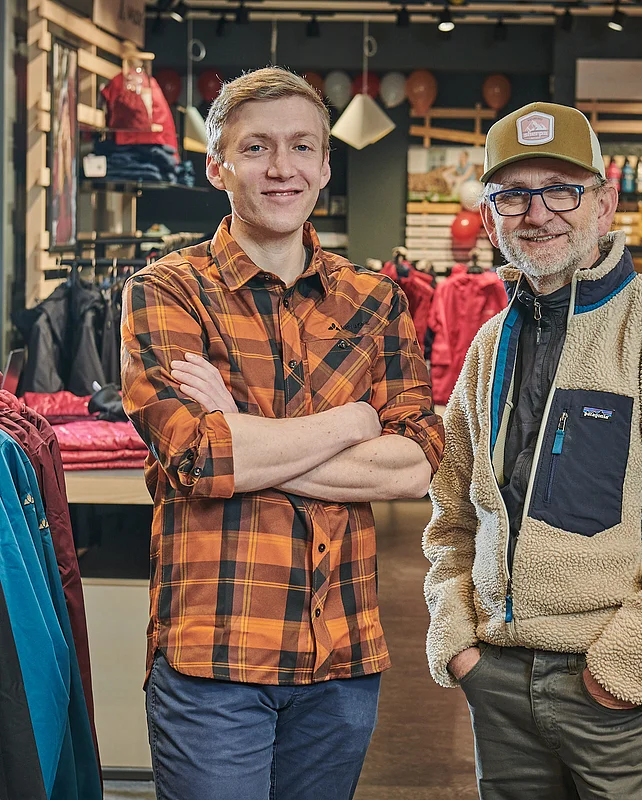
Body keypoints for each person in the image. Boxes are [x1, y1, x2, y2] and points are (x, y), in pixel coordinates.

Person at [422, 101, 642, 799]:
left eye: (561, 190)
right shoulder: (489, 346)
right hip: (497, 684)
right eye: (513, 194)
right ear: (490, 215)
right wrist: (458, 639)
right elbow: (452, 509)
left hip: (620, 695)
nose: (537, 213)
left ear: (604, 204)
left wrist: (626, 667)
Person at [121, 66, 444, 800]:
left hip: (342, 661)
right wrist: (351, 422)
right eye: (258, 147)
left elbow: (417, 466)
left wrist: (244, 434)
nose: (281, 167)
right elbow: (198, 459)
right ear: (217, 164)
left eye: (302, 147)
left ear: (326, 167)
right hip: (214, 660)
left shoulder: (374, 301)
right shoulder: (166, 290)